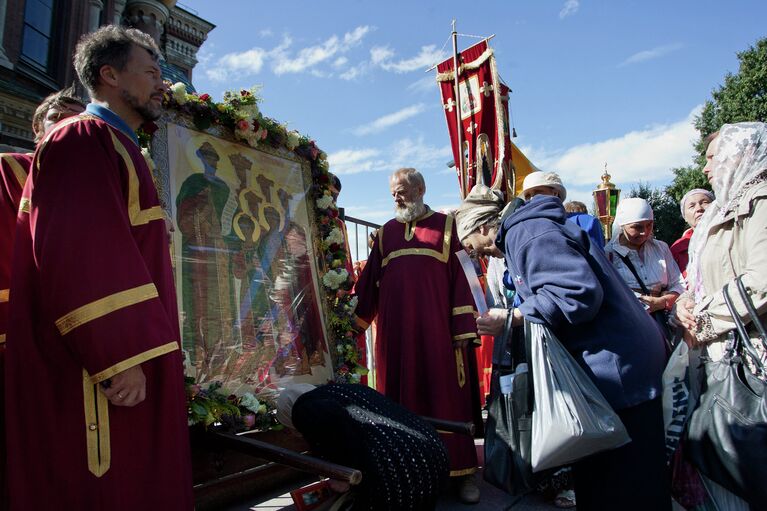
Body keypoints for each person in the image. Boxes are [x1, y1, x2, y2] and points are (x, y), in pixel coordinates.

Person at [5, 25, 192, 509]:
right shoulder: (82, 137)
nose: (162, 84)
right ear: (109, 75)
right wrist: (121, 355)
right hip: (101, 366)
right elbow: (79, 253)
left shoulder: (117, 143)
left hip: (125, 353)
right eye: (151, 73)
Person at [456, 176, 670, 510]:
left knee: (627, 487)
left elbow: (578, 294)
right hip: (617, 366)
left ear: (484, 226)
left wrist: (513, 318)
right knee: (607, 484)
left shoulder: (528, 234)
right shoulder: (528, 232)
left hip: (619, 371)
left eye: (470, 243)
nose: (474, 252)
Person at [353, 167, 481, 504]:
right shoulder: (384, 235)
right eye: (393, 192)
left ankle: (463, 474)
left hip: (438, 335)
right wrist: (348, 324)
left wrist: (462, 330)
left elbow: (462, 281)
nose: (396, 197)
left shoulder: (447, 227)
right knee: (400, 405)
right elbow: (367, 287)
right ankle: (407, 474)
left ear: (421, 188)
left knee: (445, 399)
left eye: (402, 190)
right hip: (395, 339)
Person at [0, 87, 85, 508]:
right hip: (25, 327)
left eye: (78, 120)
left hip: (83, 333)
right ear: (38, 130)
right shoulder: (10, 170)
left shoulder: (93, 184)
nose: (69, 127)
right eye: (59, 118)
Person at [676, 122, 767, 510]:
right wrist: (684, 304)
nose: (706, 169)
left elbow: (761, 280)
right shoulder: (722, 209)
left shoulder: (761, 200)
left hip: (751, 361)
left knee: (748, 464)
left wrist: (705, 319)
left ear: (739, 154)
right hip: (720, 356)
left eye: (713, 158)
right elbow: (703, 278)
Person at [277, 383, 450, 510]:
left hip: (400, 472)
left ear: (289, 414)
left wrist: (341, 476)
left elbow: (338, 427)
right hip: (434, 458)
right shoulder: (343, 390)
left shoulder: (304, 408)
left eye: (287, 428)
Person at [604, 197, 685, 324]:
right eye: (637, 227)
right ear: (622, 225)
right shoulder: (608, 255)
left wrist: (663, 301)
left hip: (663, 320)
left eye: (649, 225)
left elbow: (678, 283)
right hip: (629, 322)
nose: (644, 232)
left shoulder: (661, 248)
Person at [669, 188, 714, 277]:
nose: (699, 208)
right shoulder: (677, 248)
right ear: (684, 217)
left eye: (704, 202)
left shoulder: (730, 233)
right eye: (692, 206)